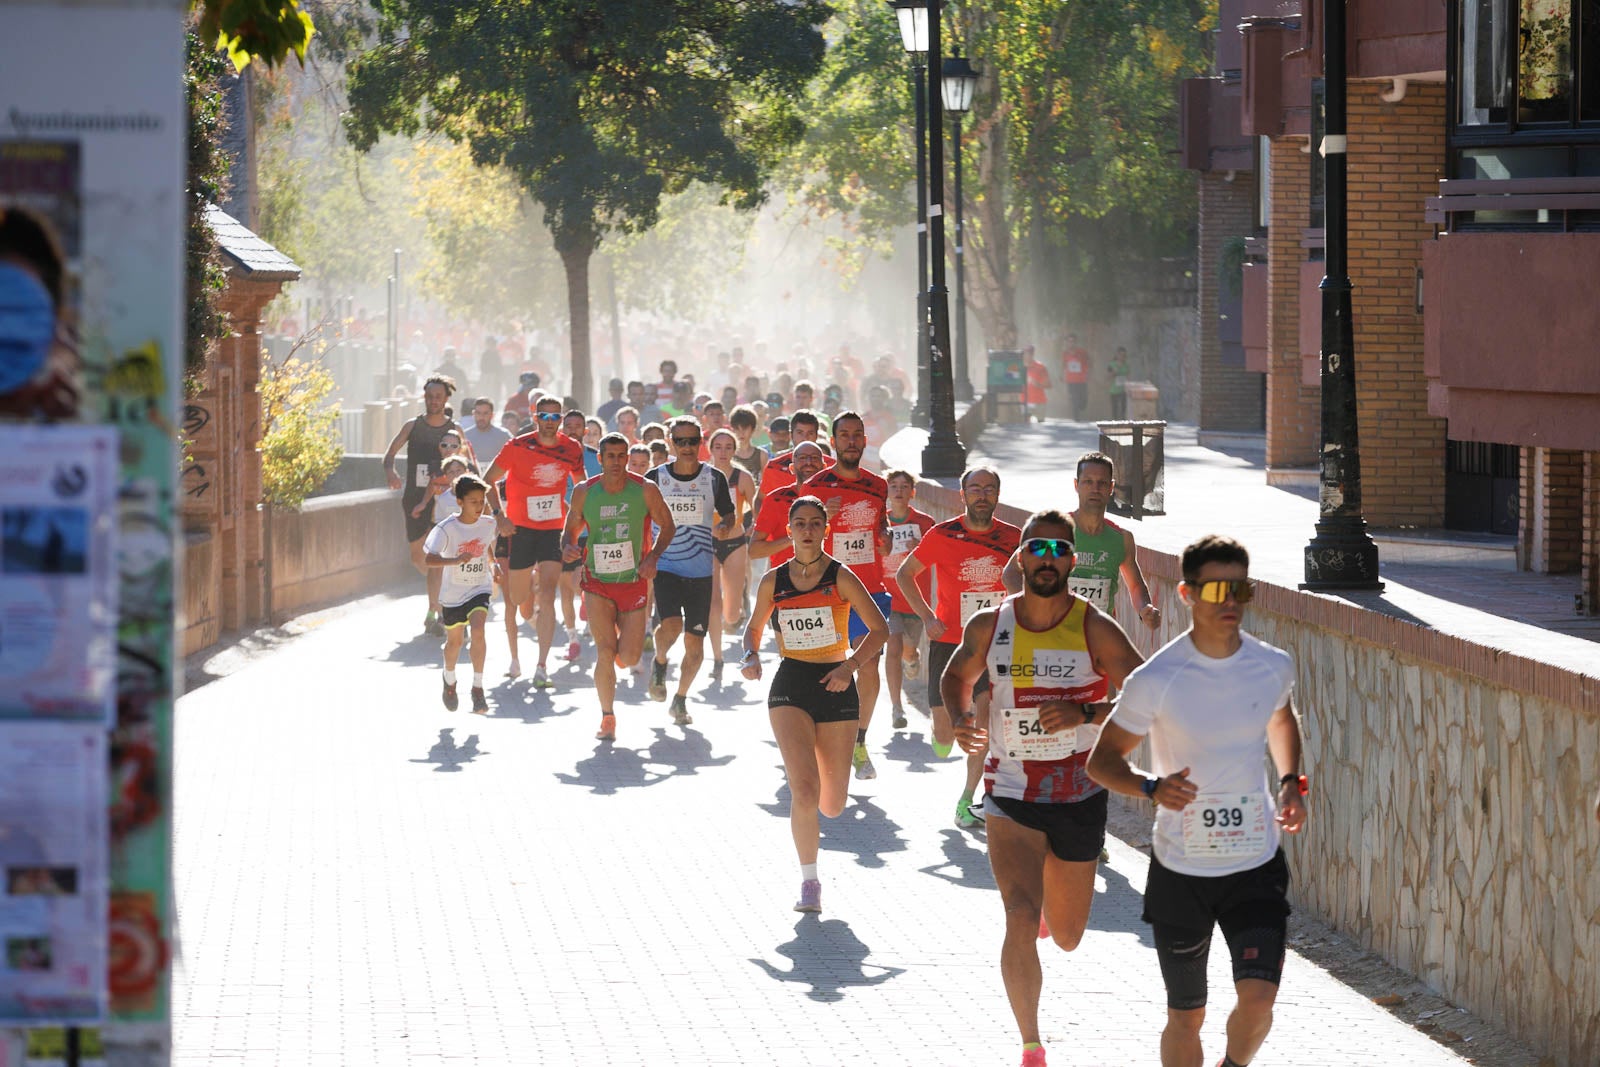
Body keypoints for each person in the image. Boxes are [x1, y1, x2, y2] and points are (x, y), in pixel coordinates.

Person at [1088, 534, 1306, 1067]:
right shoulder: (1156, 678)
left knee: (1259, 1000)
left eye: (1240, 589)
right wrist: (1150, 788)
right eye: (1215, 590)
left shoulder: (1272, 665)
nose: (1229, 601)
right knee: (1188, 1016)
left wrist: (1290, 781)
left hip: (1255, 863)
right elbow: (1102, 761)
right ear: (1186, 594)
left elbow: (1280, 717)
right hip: (1181, 870)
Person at [944, 510, 1145, 1067]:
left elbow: (1146, 691)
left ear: (1073, 561)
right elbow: (957, 676)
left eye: (1060, 549)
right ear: (1021, 559)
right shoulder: (990, 624)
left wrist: (1084, 710)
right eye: (1038, 548)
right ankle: (1031, 1043)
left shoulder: (1094, 626)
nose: (1049, 558)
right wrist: (961, 718)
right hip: (1010, 790)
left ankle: (1048, 914)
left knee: (1069, 936)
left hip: (1079, 794)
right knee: (1017, 910)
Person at [740, 494, 889, 913]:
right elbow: (752, 630)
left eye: (814, 523)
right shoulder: (774, 580)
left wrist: (850, 669)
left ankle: (825, 809)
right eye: (800, 523)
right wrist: (750, 656)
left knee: (833, 803)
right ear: (788, 531)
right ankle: (810, 882)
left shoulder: (841, 577)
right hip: (791, 683)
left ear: (826, 530)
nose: (807, 529)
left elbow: (879, 630)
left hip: (836, 684)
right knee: (803, 789)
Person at [897, 466, 1020, 828]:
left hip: (996, 644)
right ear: (963, 495)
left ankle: (967, 800)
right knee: (946, 733)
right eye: (975, 489)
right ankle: (941, 734)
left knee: (983, 724)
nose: (982, 495)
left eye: (989, 488)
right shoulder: (942, 534)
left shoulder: (1013, 538)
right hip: (951, 643)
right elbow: (905, 575)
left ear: (998, 495)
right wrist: (927, 617)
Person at [563, 434, 676, 741]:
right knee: (604, 651)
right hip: (597, 581)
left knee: (627, 657)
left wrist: (652, 558)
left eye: (621, 455)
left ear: (628, 458)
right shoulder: (586, 491)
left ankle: (618, 653)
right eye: (609, 456)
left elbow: (668, 526)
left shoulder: (645, 490)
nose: (616, 461)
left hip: (633, 581)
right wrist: (568, 546)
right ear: (599, 459)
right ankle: (607, 716)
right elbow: (571, 527)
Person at [803, 411, 890, 780]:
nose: (852, 441)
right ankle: (821, 738)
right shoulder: (816, 486)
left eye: (858, 435)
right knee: (823, 670)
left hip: (870, 588)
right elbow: (802, 541)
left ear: (864, 441)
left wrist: (884, 537)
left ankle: (859, 739)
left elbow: (880, 525)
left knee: (868, 665)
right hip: (828, 592)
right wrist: (825, 519)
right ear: (833, 442)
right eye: (844, 435)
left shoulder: (878, 485)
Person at [483, 395, 588, 688]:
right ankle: (530, 579)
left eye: (557, 418)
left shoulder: (571, 448)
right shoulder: (517, 446)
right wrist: (499, 515)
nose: (551, 423)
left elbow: (582, 487)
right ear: (535, 416)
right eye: (545, 416)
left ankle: (542, 666)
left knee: (550, 592)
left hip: (553, 529)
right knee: (518, 599)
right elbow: (486, 479)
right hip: (520, 530)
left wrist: (578, 522)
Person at [646, 417, 737, 724]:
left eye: (692, 441)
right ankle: (660, 663)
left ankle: (681, 699)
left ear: (701, 442)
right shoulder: (655, 477)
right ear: (671, 444)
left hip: (700, 571)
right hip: (668, 565)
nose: (687, 447)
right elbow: (640, 516)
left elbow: (729, 515)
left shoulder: (713, 478)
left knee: (695, 646)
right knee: (670, 628)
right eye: (680, 441)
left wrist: (724, 527)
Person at [383, 376, 463, 636]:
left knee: (437, 559)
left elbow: (468, 463)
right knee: (419, 557)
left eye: (438, 396)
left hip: (445, 500)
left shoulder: (454, 430)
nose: (434, 400)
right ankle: (438, 596)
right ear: (425, 397)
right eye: (429, 396)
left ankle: (436, 611)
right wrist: (391, 472)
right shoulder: (412, 426)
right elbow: (390, 453)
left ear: (446, 398)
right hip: (415, 498)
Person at [424, 473, 499, 714]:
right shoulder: (446, 528)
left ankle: (477, 688)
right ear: (460, 502)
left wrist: (493, 562)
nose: (479, 506)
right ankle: (449, 679)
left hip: (479, 587)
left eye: (482, 501)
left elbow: (486, 546)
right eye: (473, 501)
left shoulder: (488, 523)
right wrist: (455, 560)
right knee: (454, 642)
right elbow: (429, 559)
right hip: (453, 593)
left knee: (478, 629)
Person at [881, 469, 935, 730]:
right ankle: (896, 708)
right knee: (892, 645)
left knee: (907, 648)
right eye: (894, 485)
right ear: (887, 491)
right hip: (886, 597)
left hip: (914, 598)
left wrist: (921, 549)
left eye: (905, 486)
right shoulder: (879, 522)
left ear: (913, 492)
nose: (899, 490)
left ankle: (911, 659)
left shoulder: (926, 523)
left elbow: (936, 559)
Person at [708, 427, 757, 672]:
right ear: (711, 449)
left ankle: (734, 611)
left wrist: (755, 529)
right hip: (708, 543)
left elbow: (755, 508)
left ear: (734, 450)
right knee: (713, 605)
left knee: (730, 614)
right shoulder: (703, 475)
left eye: (728, 447)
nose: (723, 452)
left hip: (736, 543)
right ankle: (717, 658)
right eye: (718, 447)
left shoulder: (742, 477)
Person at [750, 442, 828, 569]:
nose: (809, 462)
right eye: (802, 458)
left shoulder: (834, 499)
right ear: (791, 468)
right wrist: (796, 537)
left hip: (826, 580)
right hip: (786, 579)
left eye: (814, 458)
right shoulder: (776, 499)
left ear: (824, 467)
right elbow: (754, 551)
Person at [462, 398, 512, 474]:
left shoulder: (504, 435)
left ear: (492, 415)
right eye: (478, 413)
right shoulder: (465, 436)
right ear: (473, 414)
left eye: (485, 413)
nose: (481, 417)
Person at [1061, 335, 1090, 422]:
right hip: (1071, 380)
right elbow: (1064, 365)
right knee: (1074, 398)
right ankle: (1076, 417)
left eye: (1073, 341)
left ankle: (1080, 407)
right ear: (1067, 343)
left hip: (1081, 380)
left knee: (1083, 401)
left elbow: (1088, 362)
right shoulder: (1064, 353)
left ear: (1075, 342)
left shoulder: (1082, 352)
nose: (1071, 343)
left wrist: (1088, 373)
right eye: (1069, 341)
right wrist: (1062, 375)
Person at [1024, 346, 1050, 423]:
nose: (1026, 356)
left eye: (1029, 354)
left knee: (1041, 424)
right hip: (1025, 401)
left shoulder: (1040, 367)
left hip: (1039, 401)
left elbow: (1048, 384)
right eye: (1025, 354)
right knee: (1024, 426)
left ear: (1032, 354)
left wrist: (1038, 385)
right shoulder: (1020, 367)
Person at [1108, 346, 1130, 420]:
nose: (1122, 357)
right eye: (1120, 355)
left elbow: (1128, 376)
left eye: (1124, 355)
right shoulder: (1111, 364)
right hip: (1114, 390)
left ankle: (1123, 421)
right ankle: (1114, 422)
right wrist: (1116, 370)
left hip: (1123, 390)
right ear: (1117, 355)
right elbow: (1109, 376)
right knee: (1115, 409)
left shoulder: (1126, 365)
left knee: (1123, 408)